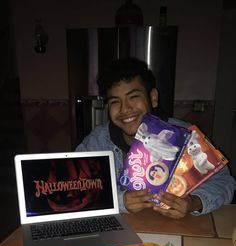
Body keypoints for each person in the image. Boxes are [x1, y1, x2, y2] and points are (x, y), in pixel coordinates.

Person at [76, 57, 236, 219]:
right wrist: (120, 201)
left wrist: (194, 202)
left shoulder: (186, 135)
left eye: (133, 97)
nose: (125, 108)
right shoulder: (98, 141)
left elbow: (225, 182)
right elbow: (75, 188)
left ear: (153, 98)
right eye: (115, 101)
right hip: (122, 230)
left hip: (177, 228)